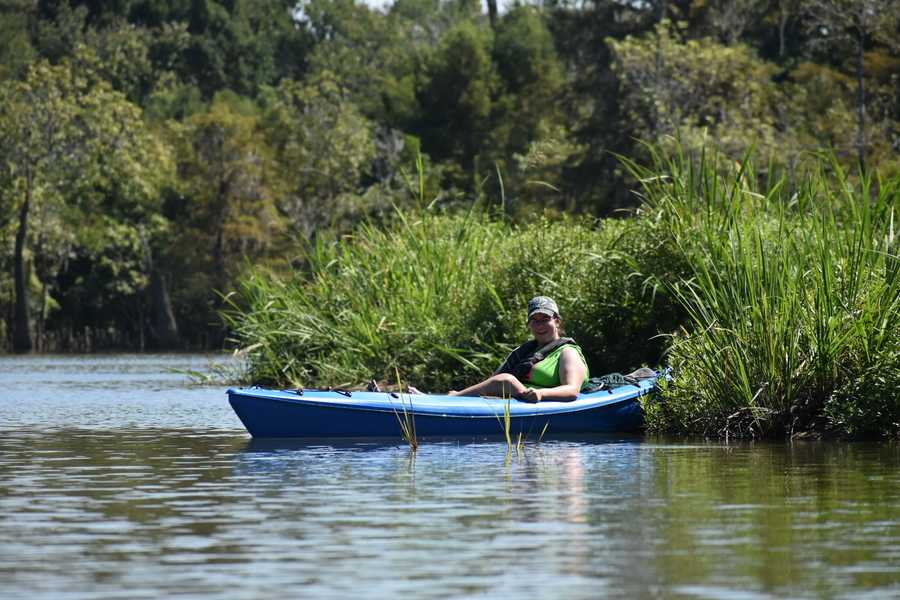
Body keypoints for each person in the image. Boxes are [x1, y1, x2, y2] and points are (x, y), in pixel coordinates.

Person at [422, 296, 589, 402]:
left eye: (545, 319)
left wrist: (541, 394)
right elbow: (490, 382)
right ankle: (442, 399)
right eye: (534, 320)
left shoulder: (568, 352)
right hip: (514, 401)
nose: (540, 325)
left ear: (557, 321)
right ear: (529, 324)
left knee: (506, 381)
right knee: (503, 380)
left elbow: (572, 390)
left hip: (537, 400)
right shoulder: (524, 352)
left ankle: (449, 399)